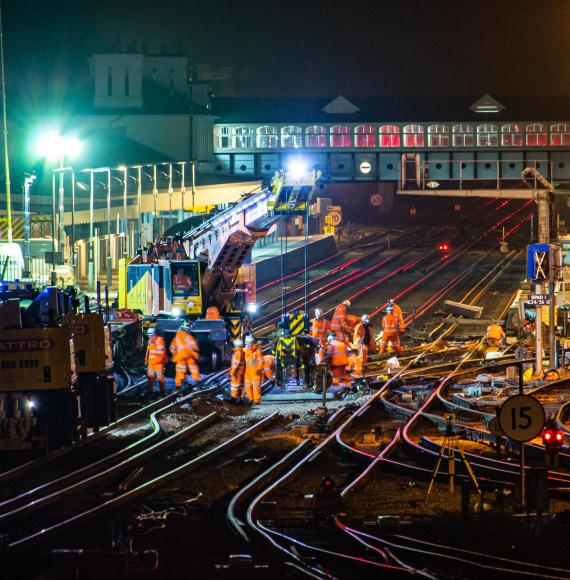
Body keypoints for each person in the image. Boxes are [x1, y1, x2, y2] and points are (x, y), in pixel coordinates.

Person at [169, 322, 200, 388]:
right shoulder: (189, 337)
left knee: (180, 370)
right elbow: (195, 347)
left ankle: (180, 384)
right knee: (192, 368)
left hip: (180, 356)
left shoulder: (176, 337)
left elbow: (172, 348)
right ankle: (196, 382)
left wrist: (175, 354)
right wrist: (194, 353)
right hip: (189, 355)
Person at [145, 327, 167, 395]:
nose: (149, 336)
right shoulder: (150, 340)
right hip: (151, 363)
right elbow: (148, 351)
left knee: (160, 378)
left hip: (158, 364)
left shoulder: (160, 340)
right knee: (150, 378)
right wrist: (146, 360)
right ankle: (149, 391)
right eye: (149, 335)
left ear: (153, 334)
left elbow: (161, 353)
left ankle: (162, 392)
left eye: (150, 335)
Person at [244, 335, 263, 404]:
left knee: (256, 387)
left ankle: (257, 400)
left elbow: (260, 361)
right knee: (248, 386)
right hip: (248, 372)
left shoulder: (257, 351)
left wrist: (259, 369)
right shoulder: (246, 351)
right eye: (245, 343)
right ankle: (251, 398)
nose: (246, 344)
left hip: (255, 372)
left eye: (247, 343)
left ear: (251, 343)